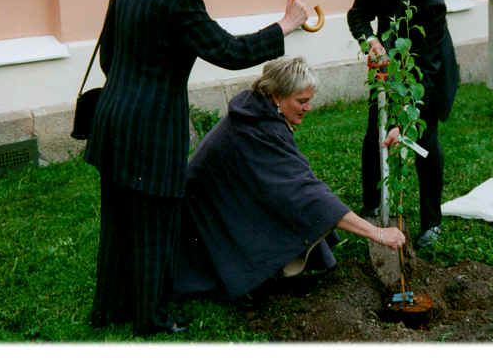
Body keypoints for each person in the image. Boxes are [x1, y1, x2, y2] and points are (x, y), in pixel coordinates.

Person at [83, 0, 309, 336]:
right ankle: (151, 318)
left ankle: (109, 308)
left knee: (118, 221)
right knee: (156, 222)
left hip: (113, 121)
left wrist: (133, 86)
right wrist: (286, 25)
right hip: (152, 129)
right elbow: (227, 52)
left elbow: (109, 54)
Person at [173, 57, 405, 301]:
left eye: (309, 101)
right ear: (276, 96)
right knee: (301, 204)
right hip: (201, 213)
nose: (308, 108)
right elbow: (306, 193)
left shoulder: (259, 111)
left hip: (222, 196)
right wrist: (376, 234)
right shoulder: (260, 129)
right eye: (301, 102)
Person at [346, 0, 459, 249]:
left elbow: (427, 68)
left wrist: (403, 119)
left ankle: (431, 223)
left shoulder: (433, 4)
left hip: (429, 72)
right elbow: (357, 15)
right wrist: (371, 41)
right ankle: (370, 207)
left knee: (424, 143)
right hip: (385, 66)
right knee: (374, 137)